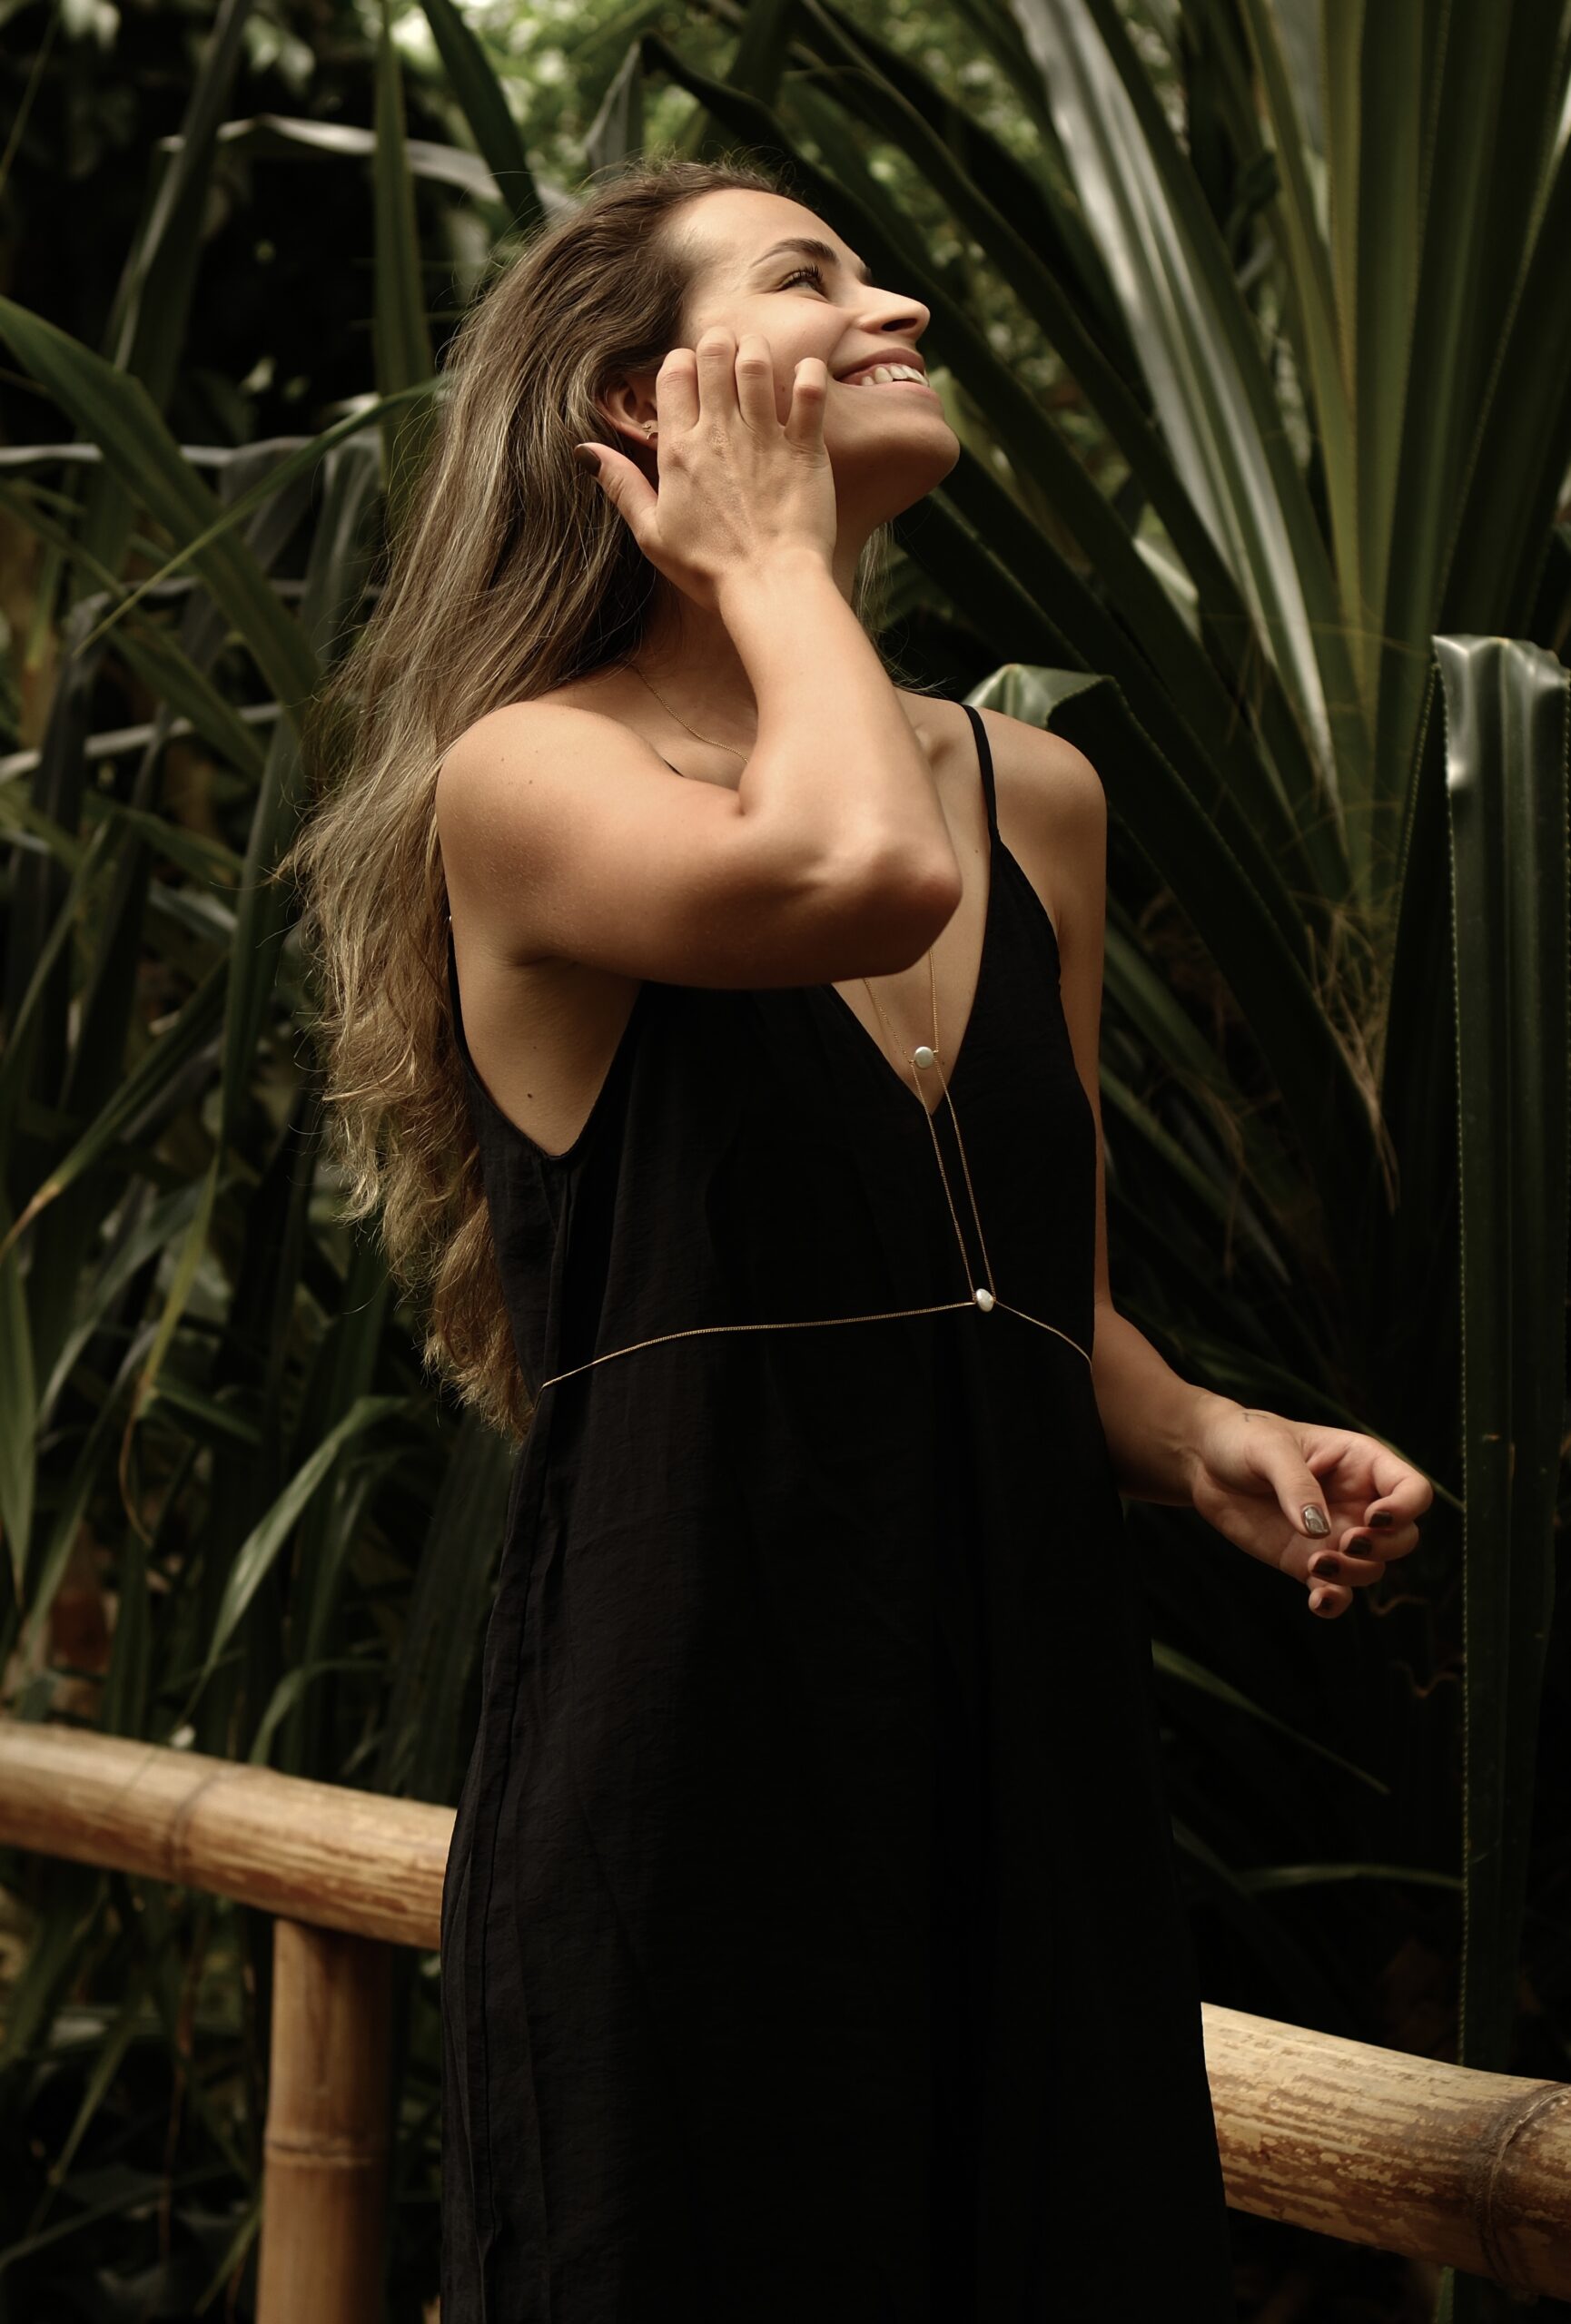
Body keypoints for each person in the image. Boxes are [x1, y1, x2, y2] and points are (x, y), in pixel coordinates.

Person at [293, 154, 1429, 2320]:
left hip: (1029, 1744)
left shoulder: (1036, 798)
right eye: (811, 273)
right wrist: (762, 558)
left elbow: (1027, 1282)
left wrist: (1207, 1438)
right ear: (637, 405)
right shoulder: (527, 777)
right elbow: (856, 876)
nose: (899, 304)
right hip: (695, 1762)